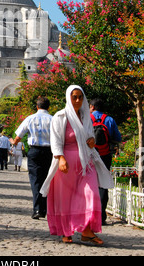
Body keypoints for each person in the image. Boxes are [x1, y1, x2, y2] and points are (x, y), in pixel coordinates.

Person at [40, 85, 114, 245]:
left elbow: (88, 137)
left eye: (80, 97)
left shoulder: (86, 117)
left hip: (85, 163)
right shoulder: (60, 117)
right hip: (65, 164)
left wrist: (92, 141)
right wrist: (60, 158)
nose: (78, 100)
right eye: (74, 97)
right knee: (66, 198)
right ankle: (66, 231)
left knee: (92, 193)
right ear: (68, 97)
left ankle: (87, 230)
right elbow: (56, 140)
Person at [13, 97, 52, 219]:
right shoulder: (53, 119)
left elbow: (19, 136)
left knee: (35, 180)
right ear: (48, 107)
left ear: (37, 106)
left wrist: (14, 143)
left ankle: (37, 209)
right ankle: (45, 208)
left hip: (34, 151)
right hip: (49, 151)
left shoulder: (30, 118)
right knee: (47, 179)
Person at [89, 98, 122, 225]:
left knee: (88, 183)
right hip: (104, 154)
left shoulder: (87, 119)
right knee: (103, 184)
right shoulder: (109, 119)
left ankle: (89, 214)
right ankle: (101, 216)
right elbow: (117, 138)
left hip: (90, 155)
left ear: (92, 107)